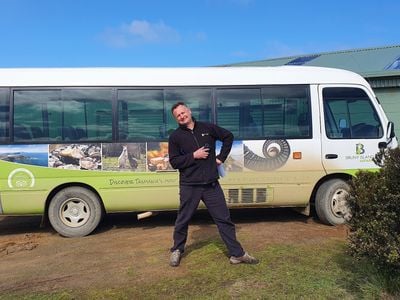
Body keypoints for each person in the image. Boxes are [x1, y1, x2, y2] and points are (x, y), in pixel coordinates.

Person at [168, 102, 259, 267]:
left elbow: (228, 136)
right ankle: (177, 249)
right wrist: (194, 155)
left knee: (224, 219)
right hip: (190, 186)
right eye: (178, 115)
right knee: (183, 219)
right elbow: (174, 162)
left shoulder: (207, 128)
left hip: (211, 185)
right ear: (176, 119)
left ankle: (237, 254)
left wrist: (221, 158)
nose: (182, 116)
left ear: (189, 110)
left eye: (183, 112)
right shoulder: (175, 137)